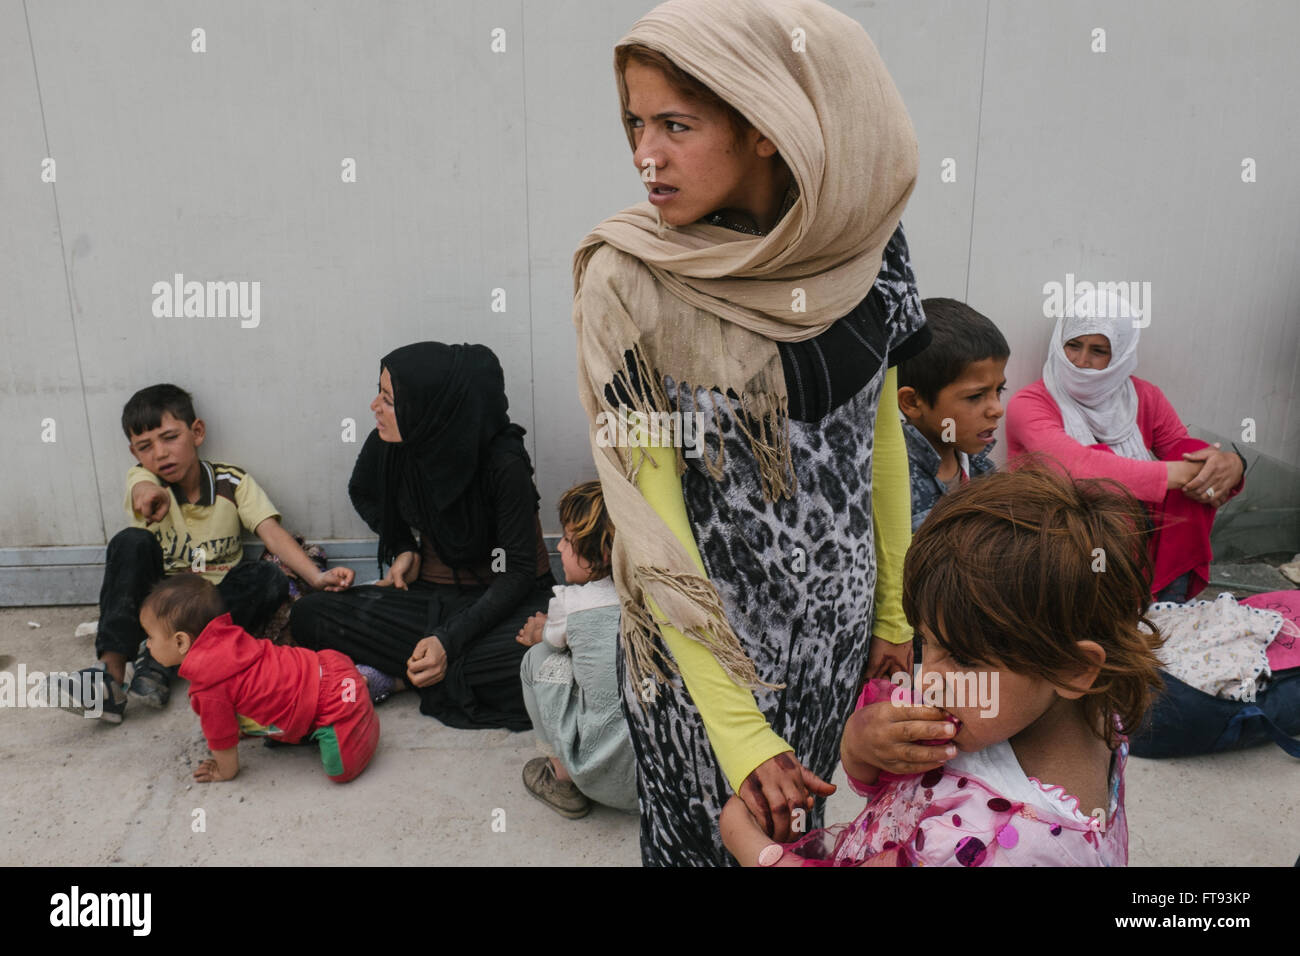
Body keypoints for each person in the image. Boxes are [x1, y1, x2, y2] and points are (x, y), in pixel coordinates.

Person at [571, 0, 924, 865]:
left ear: (766, 125)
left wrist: (894, 608)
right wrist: (741, 739)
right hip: (708, 665)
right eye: (634, 123)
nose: (645, 155)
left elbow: (877, 438)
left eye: (676, 125)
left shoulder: (862, 245)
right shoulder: (632, 284)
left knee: (820, 844)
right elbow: (651, 523)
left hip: (838, 642)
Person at [721, 466, 1164, 866]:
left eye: (966, 658)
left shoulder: (983, 844)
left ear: (1073, 668)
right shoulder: (1079, 715)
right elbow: (908, 786)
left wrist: (749, 843)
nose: (927, 679)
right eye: (925, 642)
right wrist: (861, 745)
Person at [289, 343, 555, 731]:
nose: (374, 407)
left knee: (539, 662)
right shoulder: (396, 442)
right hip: (432, 600)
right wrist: (403, 547)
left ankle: (398, 675)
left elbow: (516, 575)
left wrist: (447, 641)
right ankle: (426, 667)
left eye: (388, 400)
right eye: (380, 394)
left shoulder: (503, 461)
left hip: (505, 603)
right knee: (309, 615)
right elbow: (362, 491)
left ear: (432, 408)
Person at [57, 384, 353, 723]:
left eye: (169, 438)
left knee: (268, 577)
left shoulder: (232, 481)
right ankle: (110, 679)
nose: (160, 453)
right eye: (145, 447)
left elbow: (270, 532)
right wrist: (149, 493)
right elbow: (140, 489)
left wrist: (316, 576)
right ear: (135, 454)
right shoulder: (144, 479)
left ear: (196, 432)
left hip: (209, 609)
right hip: (155, 606)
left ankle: (159, 663)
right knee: (130, 541)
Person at [1005, 303, 1246, 601]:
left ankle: (1170, 601)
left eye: (1098, 351)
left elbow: (1185, 453)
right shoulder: (1030, 403)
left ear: (1119, 354)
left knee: (1195, 454)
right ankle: (1113, 609)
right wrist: (1180, 475)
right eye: (1073, 345)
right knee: (1107, 480)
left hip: (1137, 532)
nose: (1081, 361)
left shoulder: (1142, 396)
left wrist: (1229, 465)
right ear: (1059, 342)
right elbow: (1077, 469)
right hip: (1062, 541)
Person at [140, 574, 378, 783]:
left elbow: (222, 738)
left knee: (340, 770)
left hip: (330, 703)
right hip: (327, 664)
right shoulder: (232, 639)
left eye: (150, 637)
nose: (147, 644)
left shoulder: (209, 687)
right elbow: (256, 689)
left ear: (181, 641)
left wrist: (224, 771)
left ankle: (355, 708)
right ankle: (356, 682)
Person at [516, 480, 637, 818]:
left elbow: (552, 641)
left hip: (596, 776)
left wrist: (540, 633)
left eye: (568, 541)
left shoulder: (573, 604)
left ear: (599, 556)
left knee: (536, 660)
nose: (559, 548)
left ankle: (562, 777)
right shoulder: (652, 598)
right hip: (656, 781)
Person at [897, 298, 1008, 531]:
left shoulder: (984, 472)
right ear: (912, 402)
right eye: (975, 396)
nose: (997, 409)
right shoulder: (893, 482)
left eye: (998, 390)